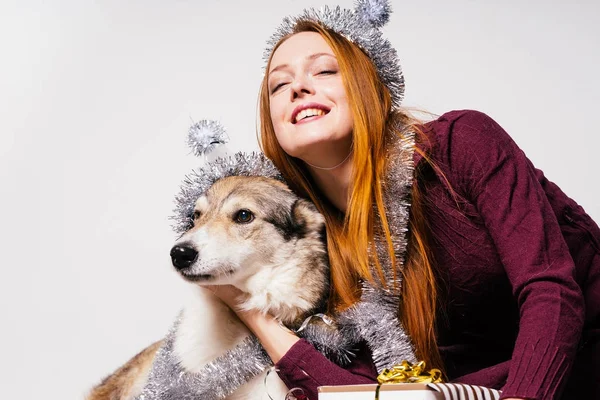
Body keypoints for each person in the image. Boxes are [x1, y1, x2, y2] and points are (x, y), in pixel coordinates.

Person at [211, 2, 599, 399]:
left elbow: (551, 288)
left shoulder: (461, 145)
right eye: (279, 85)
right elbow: (359, 393)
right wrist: (251, 311)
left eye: (325, 70)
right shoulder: (308, 239)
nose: (298, 87)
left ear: (370, 87)